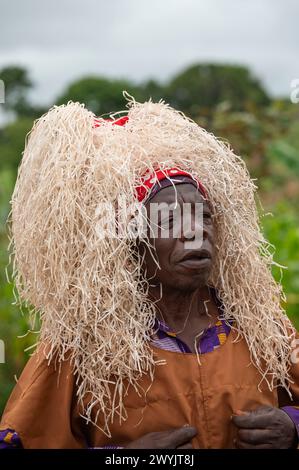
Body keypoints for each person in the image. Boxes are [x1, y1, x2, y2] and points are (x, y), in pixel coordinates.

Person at [0, 99, 298, 449]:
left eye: (203, 217)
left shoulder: (259, 326)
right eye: (170, 220)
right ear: (132, 240)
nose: (195, 231)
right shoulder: (82, 343)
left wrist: (292, 427)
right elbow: (22, 440)